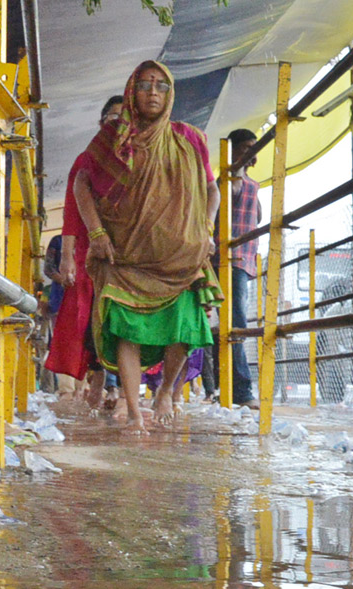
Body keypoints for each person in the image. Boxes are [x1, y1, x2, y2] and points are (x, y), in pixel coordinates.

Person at [73, 61, 221, 433]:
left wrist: (206, 228)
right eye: (145, 84)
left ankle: (166, 391)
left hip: (181, 256)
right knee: (127, 331)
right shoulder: (113, 138)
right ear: (131, 91)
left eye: (162, 86)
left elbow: (211, 189)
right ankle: (136, 413)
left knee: (185, 329)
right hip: (126, 255)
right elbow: (82, 183)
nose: (154, 92)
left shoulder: (190, 138)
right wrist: (96, 234)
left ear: (171, 95)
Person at [46, 95, 125, 410]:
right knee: (92, 319)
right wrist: (67, 258)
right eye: (112, 117)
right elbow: (71, 212)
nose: (118, 122)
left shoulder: (139, 159)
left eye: (124, 117)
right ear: (101, 122)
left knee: (121, 316)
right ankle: (101, 383)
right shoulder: (86, 159)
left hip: (126, 253)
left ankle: (113, 387)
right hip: (89, 255)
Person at [221, 128, 261, 409]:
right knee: (235, 324)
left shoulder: (250, 183)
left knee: (232, 324)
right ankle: (242, 391)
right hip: (230, 261)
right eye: (246, 148)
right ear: (232, 150)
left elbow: (257, 215)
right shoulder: (229, 181)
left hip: (243, 261)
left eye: (254, 148)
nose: (252, 153)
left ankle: (229, 388)